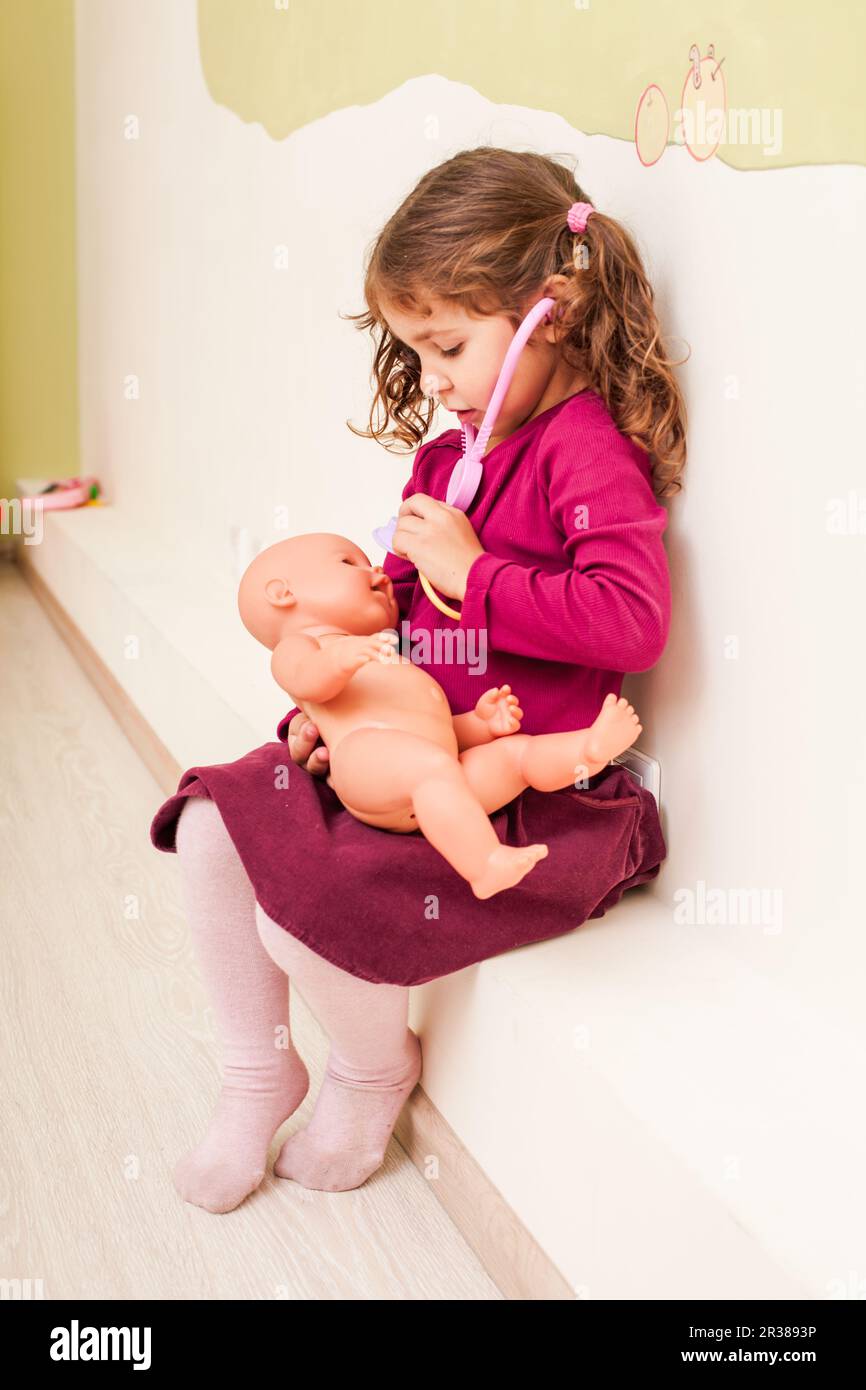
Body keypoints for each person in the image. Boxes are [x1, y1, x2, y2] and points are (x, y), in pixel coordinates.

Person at [150, 146, 686, 1213]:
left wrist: (475, 574)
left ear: (550, 313)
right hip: (416, 750)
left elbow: (632, 619)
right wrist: (329, 711)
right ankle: (260, 1073)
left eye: (448, 346)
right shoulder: (447, 462)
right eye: (417, 350)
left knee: (304, 899)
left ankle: (367, 1071)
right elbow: (400, 624)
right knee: (215, 816)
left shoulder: (585, 456)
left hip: (539, 795)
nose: (433, 381)